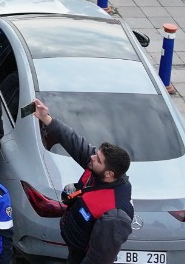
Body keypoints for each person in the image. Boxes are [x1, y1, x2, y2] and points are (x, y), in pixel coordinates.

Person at [31, 99, 134, 264]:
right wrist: (46, 118)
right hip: (73, 246)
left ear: (109, 174)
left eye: (97, 158)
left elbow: (99, 258)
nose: (92, 157)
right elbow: (73, 141)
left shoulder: (115, 214)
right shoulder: (98, 169)